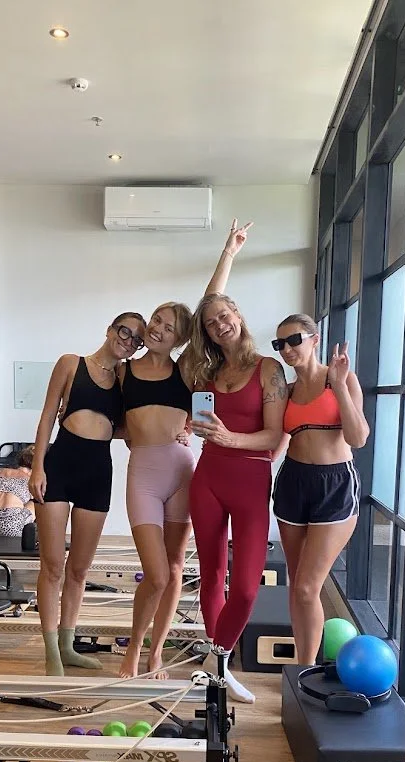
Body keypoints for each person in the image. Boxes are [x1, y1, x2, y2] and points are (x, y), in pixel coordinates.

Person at [117, 220, 253, 681]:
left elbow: (208, 311)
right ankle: (133, 650)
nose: (158, 328)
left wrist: (228, 254)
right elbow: (110, 418)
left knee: (175, 568)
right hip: (143, 476)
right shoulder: (125, 372)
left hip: (182, 472)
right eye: (155, 320)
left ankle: (155, 652)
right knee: (155, 572)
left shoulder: (188, 370)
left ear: (180, 338)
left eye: (168, 326)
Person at [184, 274, 288, 704]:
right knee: (211, 577)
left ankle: (219, 658)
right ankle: (220, 670)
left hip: (249, 479)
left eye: (224, 316)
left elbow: (274, 436)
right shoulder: (206, 371)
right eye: (211, 323)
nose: (219, 325)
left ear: (239, 316)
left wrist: (231, 440)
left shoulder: (268, 369)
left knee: (245, 588)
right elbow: (195, 319)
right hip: (207, 479)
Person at [29, 312, 146, 676]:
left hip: (98, 471)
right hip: (60, 464)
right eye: (123, 331)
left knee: (79, 568)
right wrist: (37, 466)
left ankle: (68, 646)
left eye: (135, 339)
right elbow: (48, 416)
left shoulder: (126, 378)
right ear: (110, 329)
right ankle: (50, 652)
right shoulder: (71, 363)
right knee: (52, 565)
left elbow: (130, 426)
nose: (127, 340)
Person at [271, 316, 369, 665]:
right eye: (279, 344)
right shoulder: (288, 389)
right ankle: (303, 668)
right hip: (293, 483)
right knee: (297, 588)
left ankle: (307, 670)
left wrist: (340, 386)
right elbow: (274, 443)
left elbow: (358, 438)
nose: (286, 349)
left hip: (335, 484)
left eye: (293, 339)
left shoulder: (339, 378)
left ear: (315, 339)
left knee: (308, 587)